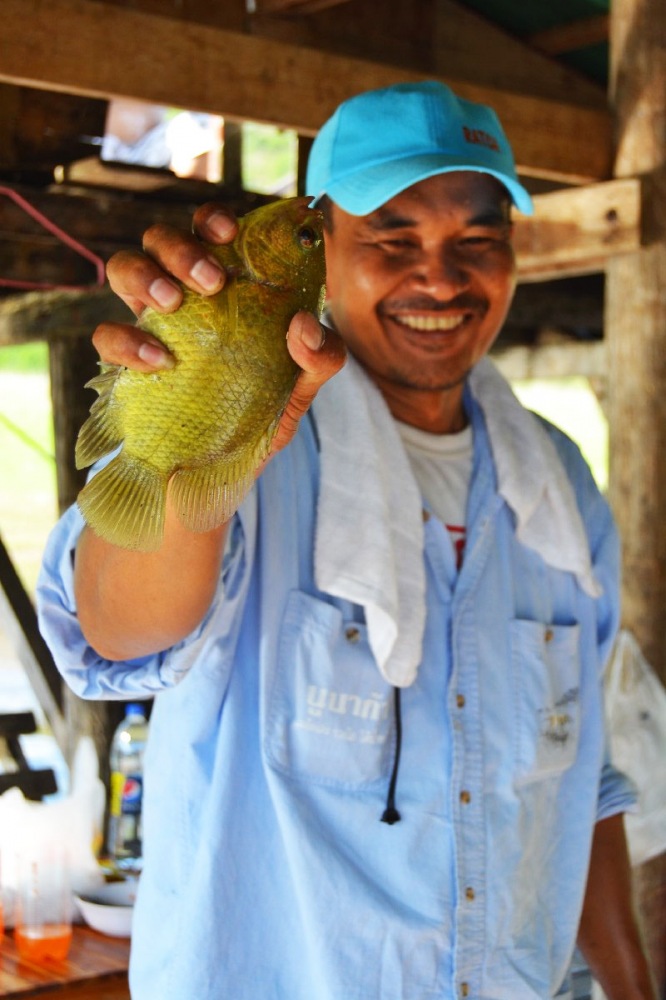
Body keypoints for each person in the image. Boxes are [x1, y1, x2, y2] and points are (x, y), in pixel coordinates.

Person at [37, 81, 656, 1000]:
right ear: (322, 248)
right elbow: (119, 629)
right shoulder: (261, 443)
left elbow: (581, 788)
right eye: (392, 241)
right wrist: (196, 460)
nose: (440, 280)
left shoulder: (559, 487)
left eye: (475, 241)